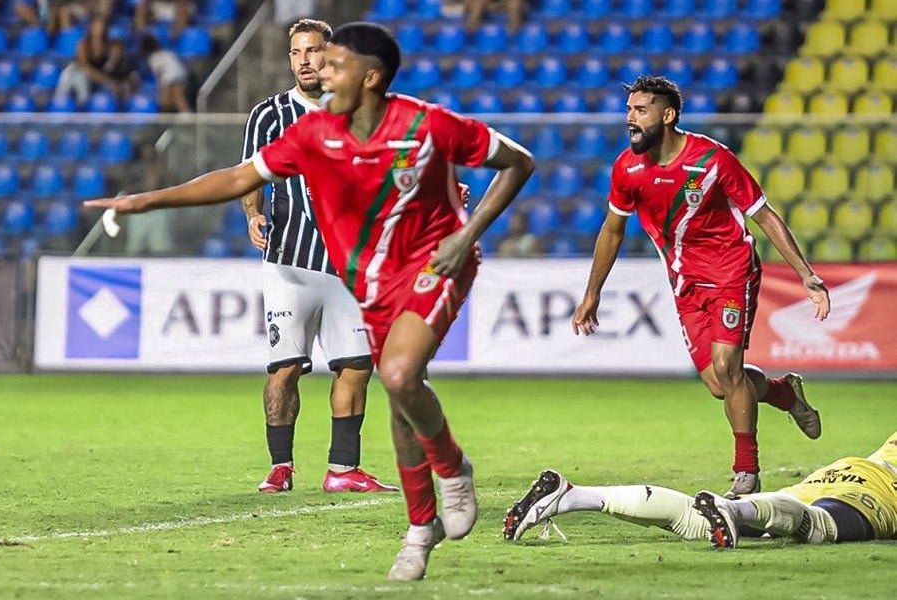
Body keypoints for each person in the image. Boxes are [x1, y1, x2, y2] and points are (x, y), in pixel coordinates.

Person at [84, 22, 536, 580]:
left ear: (370, 77)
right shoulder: (313, 135)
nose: (320, 70)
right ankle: (422, 523)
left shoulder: (426, 123)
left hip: (433, 263)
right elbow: (235, 177)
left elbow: (519, 161)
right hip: (368, 278)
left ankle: (444, 472)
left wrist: (467, 233)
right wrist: (144, 201)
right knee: (400, 387)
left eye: (333, 63)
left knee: (394, 376)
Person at [570, 75, 832, 498]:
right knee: (718, 384)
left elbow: (763, 215)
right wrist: (591, 293)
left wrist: (805, 274)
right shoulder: (627, 168)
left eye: (641, 110)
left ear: (667, 115)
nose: (630, 119)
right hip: (685, 281)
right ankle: (785, 393)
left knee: (728, 368)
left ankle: (746, 473)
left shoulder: (713, 159)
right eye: (629, 111)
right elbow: (612, 230)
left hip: (732, 271)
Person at [240, 18, 397, 496]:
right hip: (290, 262)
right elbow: (249, 173)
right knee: (285, 368)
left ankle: (344, 469)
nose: (304, 60)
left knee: (355, 365)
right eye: (296, 53)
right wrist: (251, 214)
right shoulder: (269, 114)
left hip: (349, 263)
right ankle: (280, 465)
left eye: (312, 51)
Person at [503, 432, 897, 547]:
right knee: (819, 527)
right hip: (880, 493)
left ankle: (573, 495)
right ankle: (736, 511)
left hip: (836, 473)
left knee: (698, 519)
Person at [139, 32, 191, 113]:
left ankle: (171, 120)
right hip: (181, 75)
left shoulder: (153, 58)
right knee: (178, 98)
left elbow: (159, 74)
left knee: (165, 101)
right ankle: (186, 116)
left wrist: (161, 89)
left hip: (170, 77)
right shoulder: (167, 53)